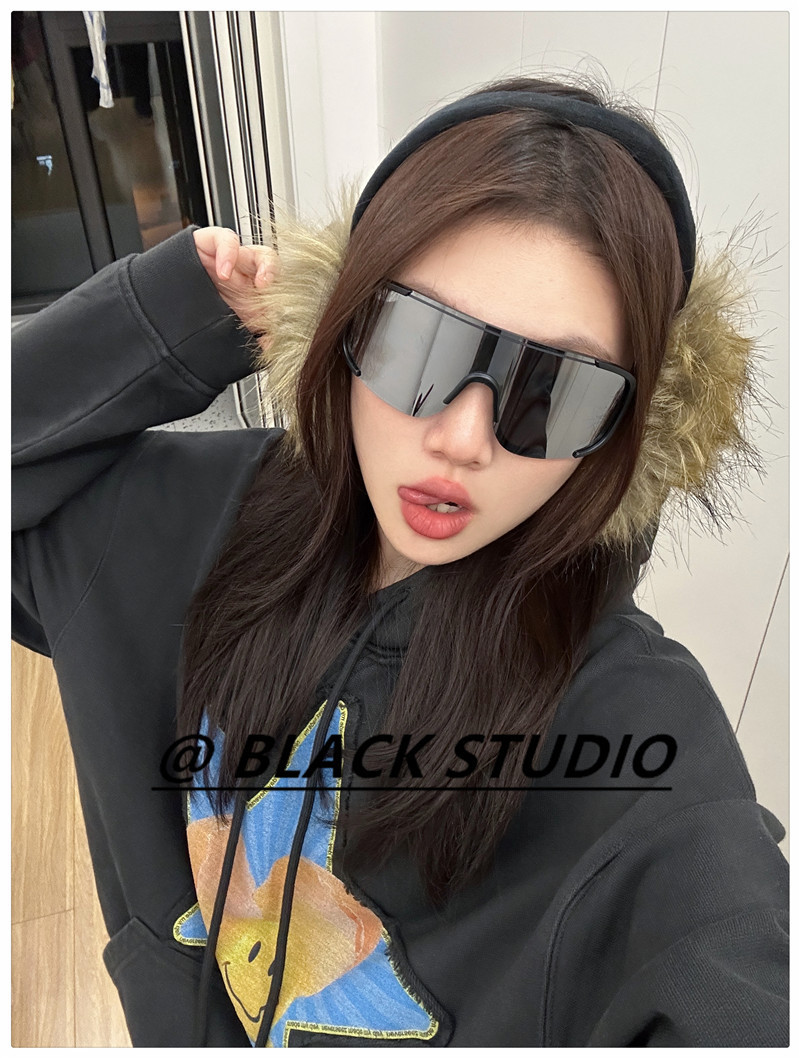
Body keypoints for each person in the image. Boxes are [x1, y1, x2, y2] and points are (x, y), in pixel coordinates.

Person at [12, 76, 788, 1047]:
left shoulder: (633, 728)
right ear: (342, 321)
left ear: (628, 433)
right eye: (420, 342)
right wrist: (168, 315)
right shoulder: (180, 516)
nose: (463, 437)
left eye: (556, 391)